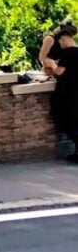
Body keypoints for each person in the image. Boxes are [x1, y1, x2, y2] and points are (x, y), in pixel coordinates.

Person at [49, 24, 78, 162]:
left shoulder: (69, 52)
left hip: (67, 91)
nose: (60, 45)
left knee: (65, 120)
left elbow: (60, 71)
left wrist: (52, 64)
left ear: (66, 38)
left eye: (60, 41)